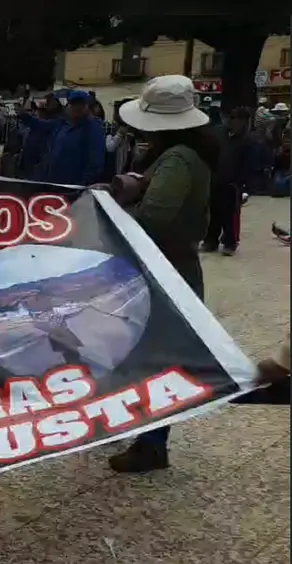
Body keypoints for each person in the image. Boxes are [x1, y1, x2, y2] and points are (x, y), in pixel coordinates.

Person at [105, 75, 218, 474]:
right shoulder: (181, 155)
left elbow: (155, 217)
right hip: (168, 267)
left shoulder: (177, 159)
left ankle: (152, 444)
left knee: (155, 359)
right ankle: (142, 433)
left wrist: (110, 212)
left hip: (167, 269)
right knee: (145, 354)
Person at [20, 89, 106, 186]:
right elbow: (39, 125)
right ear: (68, 106)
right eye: (73, 104)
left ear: (87, 107)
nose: (77, 108)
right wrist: (23, 115)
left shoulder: (92, 127)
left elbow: (95, 163)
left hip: (73, 189)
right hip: (51, 184)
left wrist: (81, 185)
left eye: (81, 104)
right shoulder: (61, 124)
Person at [201, 107, 253, 256]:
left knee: (230, 215)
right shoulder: (218, 133)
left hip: (233, 184)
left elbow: (248, 164)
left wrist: (244, 185)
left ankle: (230, 243)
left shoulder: (246, 140)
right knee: (213, 212)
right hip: (214, 179)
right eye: (234, 119)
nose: (237, 124)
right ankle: (210, 241)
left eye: (242, 121)